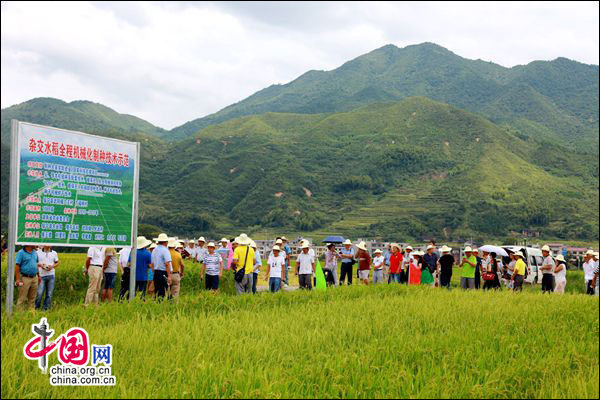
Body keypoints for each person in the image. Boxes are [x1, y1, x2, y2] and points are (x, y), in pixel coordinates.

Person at [15, 245, 39, 311]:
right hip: (25, 278)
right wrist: (17, 279)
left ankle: (31, 313)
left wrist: (38, 276)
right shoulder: (21, 253)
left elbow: (36, 264)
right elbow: (17, 266)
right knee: (22, 298)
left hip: (34, 277)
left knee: (32, 298)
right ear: (28, 244)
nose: (36, 245)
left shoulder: (35, 252)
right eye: (34, 243)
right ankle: (19, 315)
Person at [35, 245, 58, 310]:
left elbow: (57, 262)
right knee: (39, 293)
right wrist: (41, 265)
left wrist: (52, 266)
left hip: (51, 275)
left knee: (49, 294)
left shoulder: (54, 253)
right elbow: (35, 262)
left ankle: (45, 308)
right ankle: (36, 308)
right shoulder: (38, 253)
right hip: (41, 276)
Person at [152, 233, 173, 301]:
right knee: (163, 291)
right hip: (163, 273)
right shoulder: (165, 250)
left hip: (156, 272)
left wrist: (154, 272)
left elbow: (152, 263)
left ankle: (157, 305)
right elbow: (167, 263)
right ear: (165, 242)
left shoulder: (154, 250)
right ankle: (161, 305)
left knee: (157, 291)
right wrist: (169, 276)